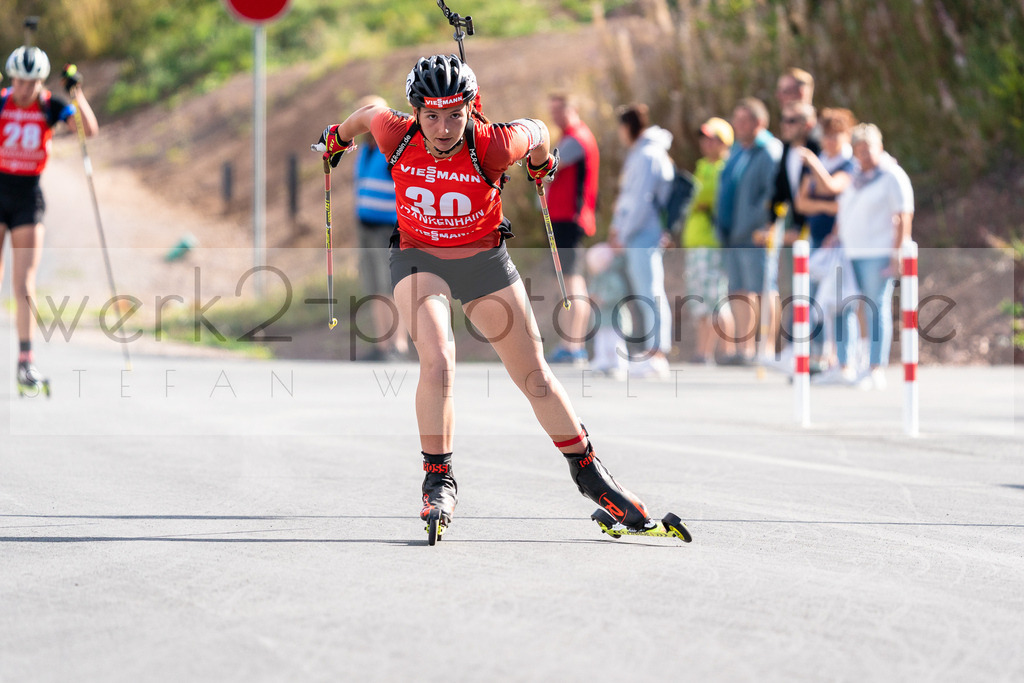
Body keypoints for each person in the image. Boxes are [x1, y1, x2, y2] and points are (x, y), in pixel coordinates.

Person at [314, 54, 663, 535]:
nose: (442, 128)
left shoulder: (493, 143)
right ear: (415, 111)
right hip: (420, 259)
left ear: (469, 107)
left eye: (454, 114)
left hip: (484, 263)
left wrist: (542, 165)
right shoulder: (394, 132)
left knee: (534, 375)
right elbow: (363, 118)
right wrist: (337, 138)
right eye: (431, 116)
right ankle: (438, 480)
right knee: (438, 361)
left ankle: (590, 475)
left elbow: (539, 129)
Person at [0, 48, 97, 391]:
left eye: (32, 82)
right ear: (11, 78)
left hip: (28, 197)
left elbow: (87, 130)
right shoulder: (2, 102)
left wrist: (76, 92)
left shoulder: (50, 106)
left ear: (41, 81)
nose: (24, 89)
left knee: (24, 283)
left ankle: (26, 361)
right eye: (18, 81)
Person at [831, 123, 914, 390]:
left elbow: (903, 214)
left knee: (875, 307)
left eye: (869, 149)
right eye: (859, 150)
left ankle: (875, 367)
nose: (864, 155)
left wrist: (897, 251)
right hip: (849, 252)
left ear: (879, 147)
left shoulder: (891, 176)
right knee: (843, 306)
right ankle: (846, 364)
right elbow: (844, 210)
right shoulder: (853, 177)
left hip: (877, 252)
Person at [608, 103, 674, 378]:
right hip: (636, 232)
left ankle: (657, 352)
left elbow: (641, 201)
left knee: (651, 290)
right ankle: (651, 350)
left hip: (643, 233)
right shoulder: (641, 153)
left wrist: (622, 232)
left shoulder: (648, 154)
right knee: (645, 290)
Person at [715, 97, 782, 363]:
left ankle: (765, 348)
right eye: (736, 119)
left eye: (744, 120)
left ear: (759, 123)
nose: (738, 125)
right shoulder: (737, 151)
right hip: (732, 233)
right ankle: (745, 348)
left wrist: (766, 224)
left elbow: (774, 194)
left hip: (757, 233)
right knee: (739, 291)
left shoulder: (769, 151)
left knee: (764, 288)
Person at [544, 93, 600, 367]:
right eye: (552, 111)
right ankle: (571, 343)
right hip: (563, 218)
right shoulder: (570, 136)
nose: (555, 116)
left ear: (573, 109)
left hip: (570, 217)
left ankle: (573, 345)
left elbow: (547, 167)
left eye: (560, 110)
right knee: (567, 280)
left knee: (572, 281)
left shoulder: (577, 138)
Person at [352, 95, 408, 361]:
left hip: (388, 227)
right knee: (374, 286)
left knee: (390, 287)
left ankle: (398, 344)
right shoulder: (364, 150)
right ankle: (382, 344)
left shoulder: (392, 150)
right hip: (366, 226)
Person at [680, 117, 735, 364]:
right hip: (696, 241)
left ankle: (730, 351)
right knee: (701, 300)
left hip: (712, 243)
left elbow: (710, 200)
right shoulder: (702, 166)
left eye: (712, 138)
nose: (706, 143)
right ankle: (704, 352)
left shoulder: (725, 168)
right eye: (704, 138)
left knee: (716, 299)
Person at [584, 242, 630, 379]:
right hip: (601, 318)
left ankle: (619, 364)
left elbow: (618, 293)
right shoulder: (598, 278)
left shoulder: (613, 277)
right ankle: (602, 361)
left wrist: (603, 299)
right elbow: (593, 290)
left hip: (615, 318)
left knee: (615, 342)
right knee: (601, 341)